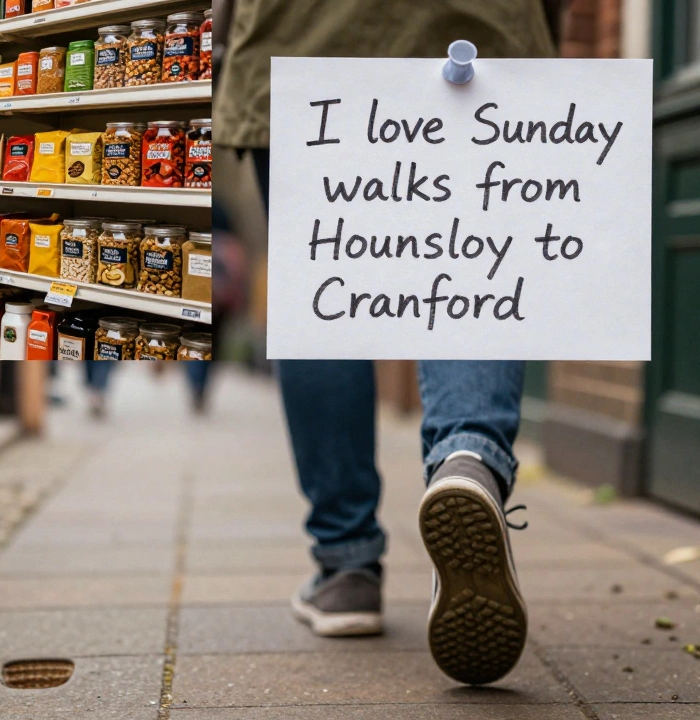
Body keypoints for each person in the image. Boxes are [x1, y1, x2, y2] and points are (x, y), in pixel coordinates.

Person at [214, 0, 562, 686]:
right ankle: (470, 460)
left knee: (322, 293)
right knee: (472, 261)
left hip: (303, 36)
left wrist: (226, 37)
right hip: (474, 29)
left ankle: (346, 568)